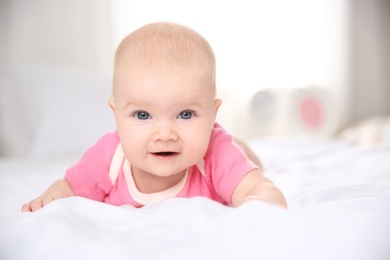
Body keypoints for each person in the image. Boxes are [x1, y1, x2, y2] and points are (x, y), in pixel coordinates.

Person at [21, 22, 287, 212]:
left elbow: (262, 191)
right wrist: (46, 201)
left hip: (225, 151)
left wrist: (259, 203)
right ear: (116, 115)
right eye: (143, 114)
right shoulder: (110, 155)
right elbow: (69, 188)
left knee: (245, 157)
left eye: (185, 114)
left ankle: (244, 148)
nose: (164, 134)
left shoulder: (215, 151)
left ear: (213, 114)